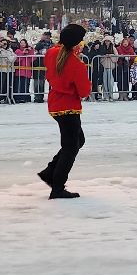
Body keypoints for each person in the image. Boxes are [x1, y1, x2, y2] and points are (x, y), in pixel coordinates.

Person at [38, 24, 92, 200]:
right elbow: (84, 91)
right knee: (71, 147)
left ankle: (50, 172)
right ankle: (57, 186)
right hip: (69, 106)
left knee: (77, 141)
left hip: (56, 104)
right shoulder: (76, 63)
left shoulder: (52, 53)